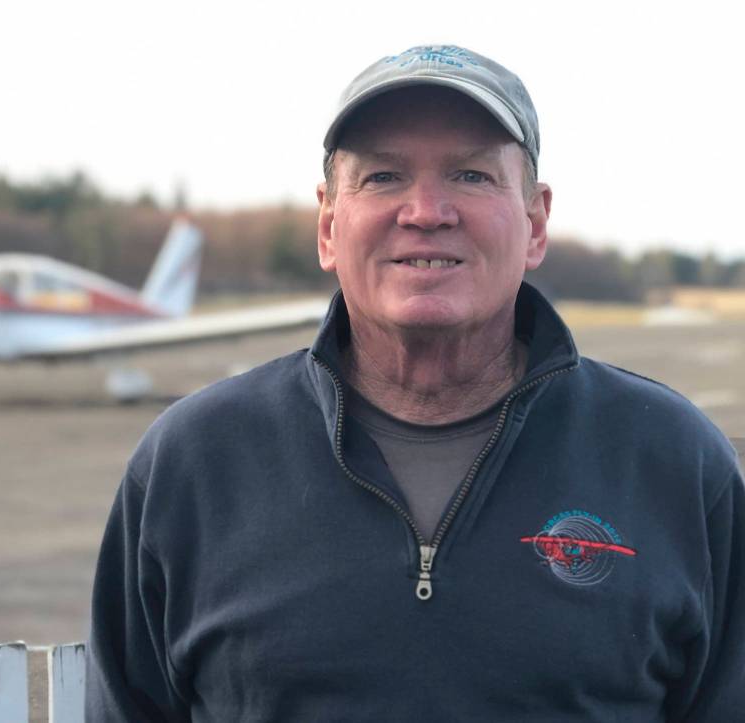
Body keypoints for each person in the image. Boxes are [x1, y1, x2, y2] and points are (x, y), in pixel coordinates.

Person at [85, 44, 745, 721]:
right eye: (382, 177)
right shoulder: (193, 461)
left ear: (536, 223)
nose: (426, 211)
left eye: (471, 174)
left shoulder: (676, 461)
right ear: (328, 225)